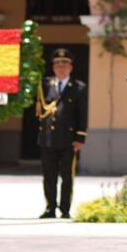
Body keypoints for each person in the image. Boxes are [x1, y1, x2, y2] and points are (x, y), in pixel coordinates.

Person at [36, 49, 86, 219]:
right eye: (57, 64)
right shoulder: (45, 85)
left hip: (69, 140)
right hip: (48, 139)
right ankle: (50, 208)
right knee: (48, 176)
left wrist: (80, 137)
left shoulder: (78, 87)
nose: (61, 67)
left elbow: (83, 114)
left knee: (67, 176)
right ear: (53, 67)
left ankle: (65, 209)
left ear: (71, 67)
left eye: (64, 64)